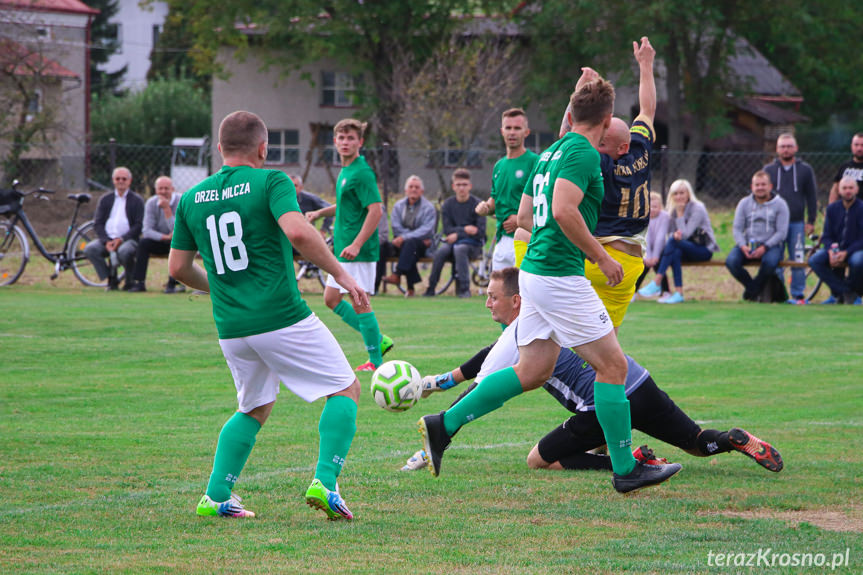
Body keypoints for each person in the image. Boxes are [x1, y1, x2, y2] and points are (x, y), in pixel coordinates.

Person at [418, 74, 681, 495]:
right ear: (609, 118)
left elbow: (524, 217)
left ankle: (443, 425)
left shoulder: (553, 151)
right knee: (611, 366)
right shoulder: (581, 153)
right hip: (559, 275)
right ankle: (626, 467)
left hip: (537, 271)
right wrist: (601, 256)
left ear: (571, 114)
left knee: (533, 369)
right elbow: (563, 210)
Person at [168, 110, 364, 521]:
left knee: (254, 407)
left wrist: (221, 288)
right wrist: (342, 274)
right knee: (345, 388)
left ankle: (217, 495)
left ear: (220, 149)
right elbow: (296, 230)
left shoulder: (190, 198)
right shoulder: (271, 180)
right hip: (279, 316)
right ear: (263, 148)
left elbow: (178, 269)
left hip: (232, 326)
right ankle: (326, 482)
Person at [409, 267, 783, 475]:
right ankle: (731, 439)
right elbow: (481, 361)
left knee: (540, 459)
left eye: (492, 297)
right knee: (698, 445)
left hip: (603, 402)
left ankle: (629, 462)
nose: (487, 303)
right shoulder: (554, 320)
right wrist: (437, 382)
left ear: (518, 301)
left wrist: (443, 422)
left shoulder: (528, 332)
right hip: (638, 381)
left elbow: (484, 382)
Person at [559, 37, 657, 330]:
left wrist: (578, 95)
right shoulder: (639, 148)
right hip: (628, 265)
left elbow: (567, 139)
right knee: (606, 344)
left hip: (594, 259)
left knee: (568, 341)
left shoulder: (597, 162)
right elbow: (648, 109)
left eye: (600, 141)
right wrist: (646, 65)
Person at [305, 118, 393, 371]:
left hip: (358, 251)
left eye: (350, 138)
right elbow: (347, 205)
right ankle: (378, 340)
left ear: (360, 142)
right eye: (341, 138)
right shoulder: (347, 171)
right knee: (331, 298)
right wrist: (320, 213)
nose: (345, 142)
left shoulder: (362, 172)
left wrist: (356, 244)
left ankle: (375, 360)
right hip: (344, 249)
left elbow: (375, 211)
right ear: (335, 142)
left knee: (359, 301)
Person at [475, 108, 539, 271]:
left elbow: (545, 200)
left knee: (522, 293)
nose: (512, 132)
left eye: (517, 128)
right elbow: (496, 198)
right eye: (508, 128)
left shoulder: (535, 162)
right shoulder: (499, 166)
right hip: (501, 239)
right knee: (498, 293)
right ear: (502, 131)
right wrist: (487, 207)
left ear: (526, 132)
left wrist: (520, 218)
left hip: (526, 238)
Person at [637, 179, 719, 304]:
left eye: (682, 193)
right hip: (684, 249)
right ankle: (679, 293)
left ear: (688, 193)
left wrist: (680, 215)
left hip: (703, 250)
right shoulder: (673, 209)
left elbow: (685, 234)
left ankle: (657, 281)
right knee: (674, 251)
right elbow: (671, 232)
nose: (679, 196)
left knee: (673, 243)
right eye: (676, 193)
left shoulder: (698, 208)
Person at [763, 133, 818, 304]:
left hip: (796, 222)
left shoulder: (805, 170)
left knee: (798, 258)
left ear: (796, 148)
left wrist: (811, 220)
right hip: (774, 225)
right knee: (776, 258)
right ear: (777, 149)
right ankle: (779, 294)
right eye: (782, 146)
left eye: (789, 146)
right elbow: (762, 197)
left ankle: (798, 295)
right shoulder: (769, 170)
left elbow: (811, 196)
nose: (785, 149)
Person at [724, 171, 790, 302]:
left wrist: (765, 247)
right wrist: (743, 246)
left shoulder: (780, 204)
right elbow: (737, 229)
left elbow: (781, 233)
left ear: (770, 186)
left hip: (771, 245)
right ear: (752, 186)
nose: (760, 188)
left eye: (763, 184)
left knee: (770, 263)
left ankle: (752, 291)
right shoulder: (744, 203)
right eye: (757, 185)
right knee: (731, 262)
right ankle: (753, 288)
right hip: (748, 244)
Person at [424, 169, 486, 298]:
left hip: (473, 246)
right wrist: (465, 230)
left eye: (464, 184)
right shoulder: (447, 205)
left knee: (460, 249)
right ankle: (431, 288)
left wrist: (458, 234)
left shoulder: (478, 204)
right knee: (441, 252)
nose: (461, 188)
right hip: (453, 243)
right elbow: (447, 230)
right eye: (458, 185)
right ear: (453, 186)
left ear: (470, 186)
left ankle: (465, 290)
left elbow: (479, 232)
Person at [84, 166, 145, 291]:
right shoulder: (105, 199)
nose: (121, 181)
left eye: (124, 178)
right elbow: (98, 223)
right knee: (90, 249)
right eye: (118, 178)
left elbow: (138, 225)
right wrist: (106, 241)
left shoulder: (137, 200)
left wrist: (121, 239)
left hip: (128, 240)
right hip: (107, 239)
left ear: (130, 181)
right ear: (113, 180)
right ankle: (111, 278)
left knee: (124, 251)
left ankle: (129, 281)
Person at [808, 177, 863, 304]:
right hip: (835, 249)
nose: (848, 191)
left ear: (857, 189)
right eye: (844, 188)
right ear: (839, 190)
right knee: (815, 260)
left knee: (858, 261)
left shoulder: (861, 208)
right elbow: (827, 236)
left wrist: (846, 252)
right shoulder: (832, 209)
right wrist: (830, 251)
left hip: (855, 250)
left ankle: (848, 294)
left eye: (851, 188)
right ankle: (845, 293)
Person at [380, 175, 437, 296]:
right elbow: (395, 226)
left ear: (422, 191)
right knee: (384, 246)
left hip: (422, 246)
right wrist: (402, 238)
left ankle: (397, 274)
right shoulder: (398, 206)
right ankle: (375, 286)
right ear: (406, 190)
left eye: (417, 187)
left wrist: (404, 237)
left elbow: (426, 230)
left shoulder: (429, 208)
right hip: (401, 244)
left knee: (410, 244)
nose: (414, 189)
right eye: (411, 187)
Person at [128, 176, 184, 293]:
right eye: (160, 189)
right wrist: (164, 237)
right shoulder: (151, 203)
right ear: (155, 190)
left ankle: (173, 283)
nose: (163, 192)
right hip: (161, 240)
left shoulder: (181, 201)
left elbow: (179, 230)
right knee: (143, 243)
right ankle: (139, 282)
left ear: (172, 189)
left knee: (179, 243)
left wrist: (167, 210)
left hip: (178, 241)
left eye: (166, 188)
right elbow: (147, 230)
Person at [634, 191, 670, 295]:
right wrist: (648, 257)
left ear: (660, 206)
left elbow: (661, 237)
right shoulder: (644, 217)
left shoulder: (665, 217)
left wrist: (655, 256)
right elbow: (647, 238)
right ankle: (633, 291)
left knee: (658, 264)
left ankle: (666, 291)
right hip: (647, 249)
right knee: (644, 265)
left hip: (662, 249)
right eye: (650, 206)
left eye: (655, 206)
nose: (652, 209)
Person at [290, 173, 332, 238]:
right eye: (289, 185)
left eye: (295, 185)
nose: (292, 188)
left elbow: (330, 209)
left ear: (301, 187)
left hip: (305, 237)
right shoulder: (277, 199)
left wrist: (323, 230)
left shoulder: (310, 198)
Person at [828, 133, 863, 204]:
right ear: (851, 146)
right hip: (845, 212)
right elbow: (835, 189)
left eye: (862, 145)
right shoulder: (845, 166)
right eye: (856, 145)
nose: (859, 148)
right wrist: (831, 209)